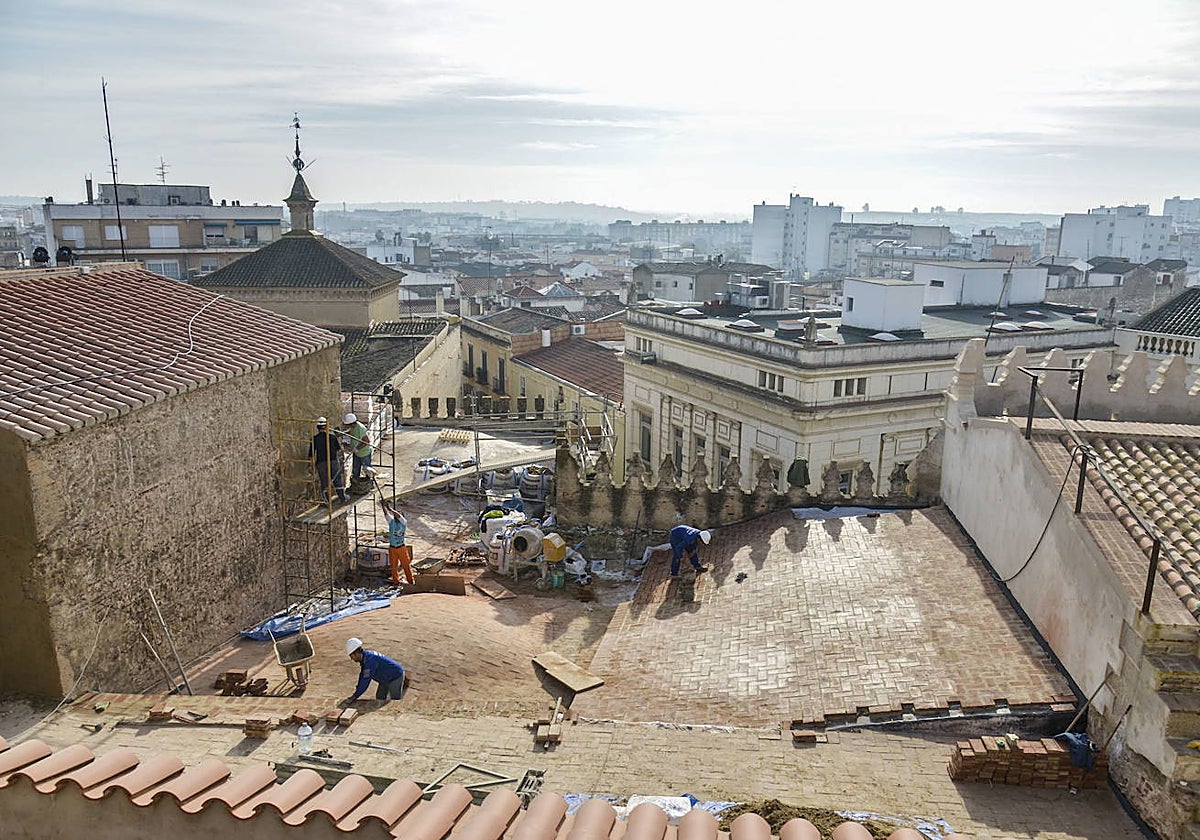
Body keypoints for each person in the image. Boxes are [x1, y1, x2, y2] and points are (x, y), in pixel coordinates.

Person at [343, 637, 408, 703]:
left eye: (352, 656)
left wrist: (355, 696)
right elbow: (362, 675)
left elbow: (365, 681)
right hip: (384, 678)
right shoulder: (365, 657)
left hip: (395, 676)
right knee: (379, 698)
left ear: (356, 653)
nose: (352, 659)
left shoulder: (370, 660)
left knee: (395, 700)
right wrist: (357, 690)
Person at [640, 526, 712, 577]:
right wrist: (681, 557)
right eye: (702, 543)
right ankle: (673, 573)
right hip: (675, 536)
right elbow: (678, 547)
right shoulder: (689, 539)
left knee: (692, 551)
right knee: (677, 557)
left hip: (683, 535)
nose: (702, 545)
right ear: (700, 539)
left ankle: (697, 566)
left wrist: (691, 553)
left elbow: (693, 549)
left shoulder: (697, 535)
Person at [309, 417, 348, 503]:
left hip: (321, 462)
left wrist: (311, 466)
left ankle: (327, 501)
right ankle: (342, 497)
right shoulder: (332, 437)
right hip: (333, 460)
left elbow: (311, 454)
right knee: (337, 479)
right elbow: (339, 449)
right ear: (326, 427)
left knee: (324, 480)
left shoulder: (315, 439)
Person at [381, 497, 414, 585]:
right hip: (392, 548)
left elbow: (398, 516)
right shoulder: (391, 522)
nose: (396, 515)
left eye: (398, 514)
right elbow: (386, 514)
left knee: (406, 565)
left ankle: (411, 581)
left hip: (401, 547)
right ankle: (396, 582)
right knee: (394, 566)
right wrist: (383, 506)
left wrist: (390, 508)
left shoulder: (403, 522)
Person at [342, 412, 373, 483]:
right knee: (356, 469)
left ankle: (369, 483)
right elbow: (353, 433)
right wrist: (345, 433)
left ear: (352, 423)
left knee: (367, 469)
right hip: (356, 453)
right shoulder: (353, 427)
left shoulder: (361, 428)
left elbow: (366, 441)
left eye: (348, 425)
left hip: (364, 453)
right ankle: (355, 482)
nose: (348, 426)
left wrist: (357, 449)